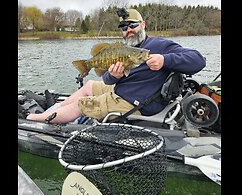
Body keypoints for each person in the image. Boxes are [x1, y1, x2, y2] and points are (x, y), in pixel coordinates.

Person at [26, 8, 206, 123]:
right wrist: (114, 76)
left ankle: (35, 119)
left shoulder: (161, 46)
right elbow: (106, 77)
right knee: (89, 85)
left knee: (82, 104)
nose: (128, 31)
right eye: (124, 28)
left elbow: (198, 60)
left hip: (136, 104)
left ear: (143, 25)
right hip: (121, 90)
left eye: (132, 26)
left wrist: (165, 60)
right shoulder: (125, 48)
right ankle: (53, 110)